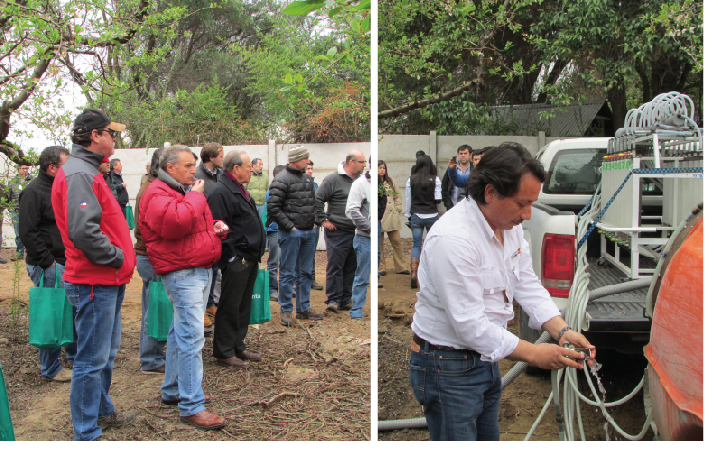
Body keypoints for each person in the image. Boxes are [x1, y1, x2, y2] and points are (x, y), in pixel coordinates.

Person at [409, 143, 597, 441]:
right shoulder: (453, 239)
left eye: (532, 203)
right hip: (447, 364)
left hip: (486, 356)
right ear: (490, 192)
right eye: (522, 203)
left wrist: (562, 330)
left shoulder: (508, 227)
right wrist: (534, 353)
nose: (528, 214)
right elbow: (470, 325)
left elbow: (526, 282)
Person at [52, 108, 136, 440]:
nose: (114, 138)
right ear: (94, 135)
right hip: (94, 279)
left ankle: (100, 411)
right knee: (91, 359)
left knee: (104, 353)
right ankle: (86, 433)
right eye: (110, 132)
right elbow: (84, 232)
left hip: (105, 279)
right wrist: (117, 257)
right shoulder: (79, 173)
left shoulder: (88, 170)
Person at [139, 144, 227, 430]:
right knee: (191, 337)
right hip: (182, 272)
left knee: (180, 333)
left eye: (193, 165)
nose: (194, 170)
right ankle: (191, 405)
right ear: (170, 168)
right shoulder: (157, 193)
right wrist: (197, 197)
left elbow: (187, 226)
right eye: (188, 165)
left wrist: (213, 228)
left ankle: (174, 389)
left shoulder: (177, 190)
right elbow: (176, 223)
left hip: (193, 267)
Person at [18, 146, 74, 382]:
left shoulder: (60, 187)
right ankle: (50, 368)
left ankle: (73, 357)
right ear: (52, 167)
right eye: (66, 165)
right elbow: (27, 231)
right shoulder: (33, 191)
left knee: (69, 311)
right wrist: (47, 262)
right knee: (51, 314)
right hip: (48, 265)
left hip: (66, 261)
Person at [207, 150, 266, 368]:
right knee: (230, 305)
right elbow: (216, 226)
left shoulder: (239, 188)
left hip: (249, 257)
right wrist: (232, 255)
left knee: (242, 305)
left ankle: (237, 345)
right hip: (237, 259)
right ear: (236, 168)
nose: (252, 169)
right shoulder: (221, 192)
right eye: (249, 166)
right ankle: (224, 351)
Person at [267, 146, 323, 327]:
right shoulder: (281, 179)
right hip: (291, 234)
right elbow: (273, 207)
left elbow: (314, 203)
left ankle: (304, 307)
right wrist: (290, 227)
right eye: (305, 158)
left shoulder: (307, 179)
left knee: (305, 272)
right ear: (297, 159)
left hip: (309, 233)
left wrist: (315, 222)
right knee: (287, 272)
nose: (308, 162)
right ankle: (285, 309)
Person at [315, 150, 366, 313]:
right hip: (338, 231)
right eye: (362, 162)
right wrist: (323, 220)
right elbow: (317, 198)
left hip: (356, 231)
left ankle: (345, 298)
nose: (364, 165)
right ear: (352, 162)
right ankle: (333, 299)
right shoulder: (332, 180)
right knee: (336, 265)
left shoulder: (362, 181)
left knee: (352, 265)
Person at [134, 147, 167, 374]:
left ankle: (153, 355)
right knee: (154, 309)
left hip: (150, 256)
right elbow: (146, 231)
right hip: (151, 257)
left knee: (153, 307)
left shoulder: (153, 186)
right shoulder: (151, 190)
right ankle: (151, 359)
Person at [195, 142, 224, 328]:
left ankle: (211, 303)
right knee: (205, 270)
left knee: (214, 269)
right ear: (212, 157)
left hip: (217, 228)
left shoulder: (219, 174)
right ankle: (203, 308)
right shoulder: (197, 176)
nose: (223, 158)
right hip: (203, 228)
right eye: (221, 155)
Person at [405, 154, 441, 289]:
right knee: (433, 245)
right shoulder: (435, 179)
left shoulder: (411, 180)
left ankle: (414, 273)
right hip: (431, 215)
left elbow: (408, 200)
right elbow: (438, 199)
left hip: (416, 215)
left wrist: (409, 215)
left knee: (416, 245)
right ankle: (432, 275)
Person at [345, 156, 372, 320]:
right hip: (364, 238)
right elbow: (352, 211)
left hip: (376, 237)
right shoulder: (360, 184)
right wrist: (369, 228)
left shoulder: (381, 185)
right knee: (362, 275)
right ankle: (356, 311)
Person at [377, 160, 408, 276]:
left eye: (383, 168)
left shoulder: (390, 181)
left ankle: (400, 267)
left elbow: (397, 195)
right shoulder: (372, 182)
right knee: (378, 243)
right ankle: (380, 268)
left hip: (392, 215)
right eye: (379, 167)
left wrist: (397, 207)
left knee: (397, 241)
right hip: (379, 216)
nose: (382, 170)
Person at [297, 160, 323, 291]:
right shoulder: (296, 184)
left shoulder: (316, 185)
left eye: (312, 168)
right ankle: (297, 280)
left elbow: (318, 204)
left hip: (313, 225)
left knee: (311, 253)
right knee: (297, 254)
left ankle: (311, 279)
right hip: (300, 225)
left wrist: (316, 221)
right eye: (308, 168)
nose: (310, 171)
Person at [265, 165, 285, 301]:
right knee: (274, 262)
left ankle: (284, 289)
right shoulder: (271, 191)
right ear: (277, 176)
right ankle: (272, 290)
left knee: (286, 262)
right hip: (274, 231)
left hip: (286, 230)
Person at [8, 163, 34, 259]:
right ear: (18, 169)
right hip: (16, 210)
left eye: (27, 168)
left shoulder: (32, 180)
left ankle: (32, 253)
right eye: (23, 168)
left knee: (30, 231)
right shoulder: (12, 182)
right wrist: (10, 208)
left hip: (29, 210)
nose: (25, 170)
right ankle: (19, 253)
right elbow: (8, 196)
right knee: (18, 232)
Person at [441, 144, 472, 211]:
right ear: (458, 155)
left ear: (470, 155)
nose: (463, 155)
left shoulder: (474, 168)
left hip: (470, 206)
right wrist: (447, 203)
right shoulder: (452, 168)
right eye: (461, 153)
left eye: (465, 153)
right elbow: (444, 185)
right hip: (454, 205)